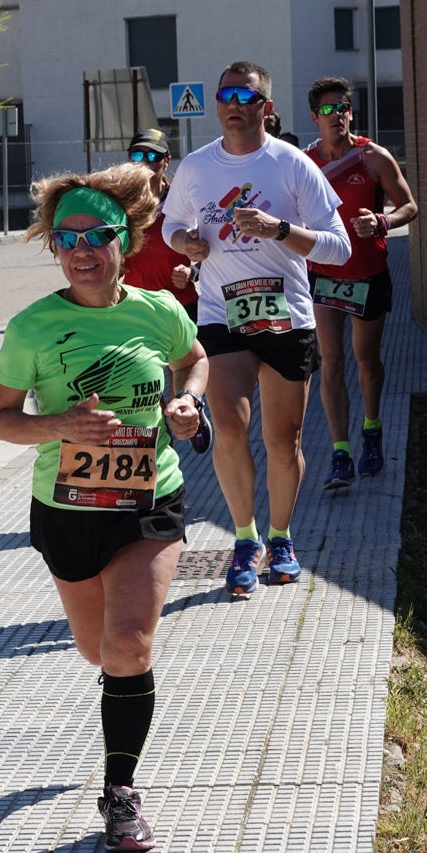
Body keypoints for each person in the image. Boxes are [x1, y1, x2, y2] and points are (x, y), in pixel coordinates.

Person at [0, 163, 208, 852]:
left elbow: (194, 358)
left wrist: (187, 401)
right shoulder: (31, 326)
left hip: (148, 502)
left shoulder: (157, 310)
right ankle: (117, 725)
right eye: (66, 236)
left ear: (125, 240)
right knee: (94, 649)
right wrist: (55, 427)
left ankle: (119, 792)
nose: (82, 249)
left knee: (126, 647)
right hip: (66, 509)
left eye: (96, 235)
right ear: (53, 246)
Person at [162, 60, 351, 596]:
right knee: (226, 421)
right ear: (217, 105)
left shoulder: (292, 165)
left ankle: (281, 537)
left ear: (265, 106)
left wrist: (282, 230)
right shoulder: (197, 168)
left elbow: (339, 247)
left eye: (247, 97)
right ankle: (245, 540)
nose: (235, 105)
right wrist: (184, 244)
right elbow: (172, 223)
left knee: (282, 438)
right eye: (226, 96)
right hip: (222, 314)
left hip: (286, 316)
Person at [305, 76, 418, 489]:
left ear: (352, 112)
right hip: (322, 276)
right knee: (330, 363)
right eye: (329, 110)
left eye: (344, 108)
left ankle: (372, 429)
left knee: (366, 361)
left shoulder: (373, 156)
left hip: (368, 274)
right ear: (315, 117)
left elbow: (410, 204)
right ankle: (341, 452)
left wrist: (383, 221)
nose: (338, 116)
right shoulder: (304, 162)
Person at [123, 129, 211, 453]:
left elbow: (205, 250)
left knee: (182, 371)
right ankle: (166, 429)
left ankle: (191, 411)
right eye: (137, 155)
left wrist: (192, 271)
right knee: (148, 381)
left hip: (181, 304)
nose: (145, 163)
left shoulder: (183, 203)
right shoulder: (122, 206)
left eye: (153, 157)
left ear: (166, 161)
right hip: (137, 305)